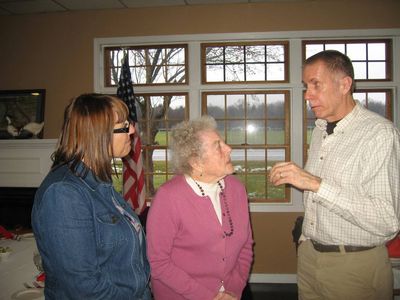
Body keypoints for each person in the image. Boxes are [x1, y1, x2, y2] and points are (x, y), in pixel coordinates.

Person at [270, 50, 400, 300]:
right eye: (306, 86)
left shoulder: (379, 134)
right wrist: (306, 239)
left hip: (354, 265)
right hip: (310, 256)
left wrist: (315, 183)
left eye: (316, 84)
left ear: (344, 84)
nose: (307, 95)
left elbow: (388, 220)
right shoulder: (320, 129)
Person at [31, 93, 151, 299]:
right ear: (98, 135)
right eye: (123, 125)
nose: (132, 129)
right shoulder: (64, 193)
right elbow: (84, 288)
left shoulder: (99, 183)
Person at [146, 115, 254, 300]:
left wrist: (234, 290)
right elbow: (158, 263)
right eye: (218, 146)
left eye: (224, 143)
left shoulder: (237, 189)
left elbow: (246, 246)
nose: (229, 149)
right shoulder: (169, 197)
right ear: (196, 162)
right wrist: (208, 296)